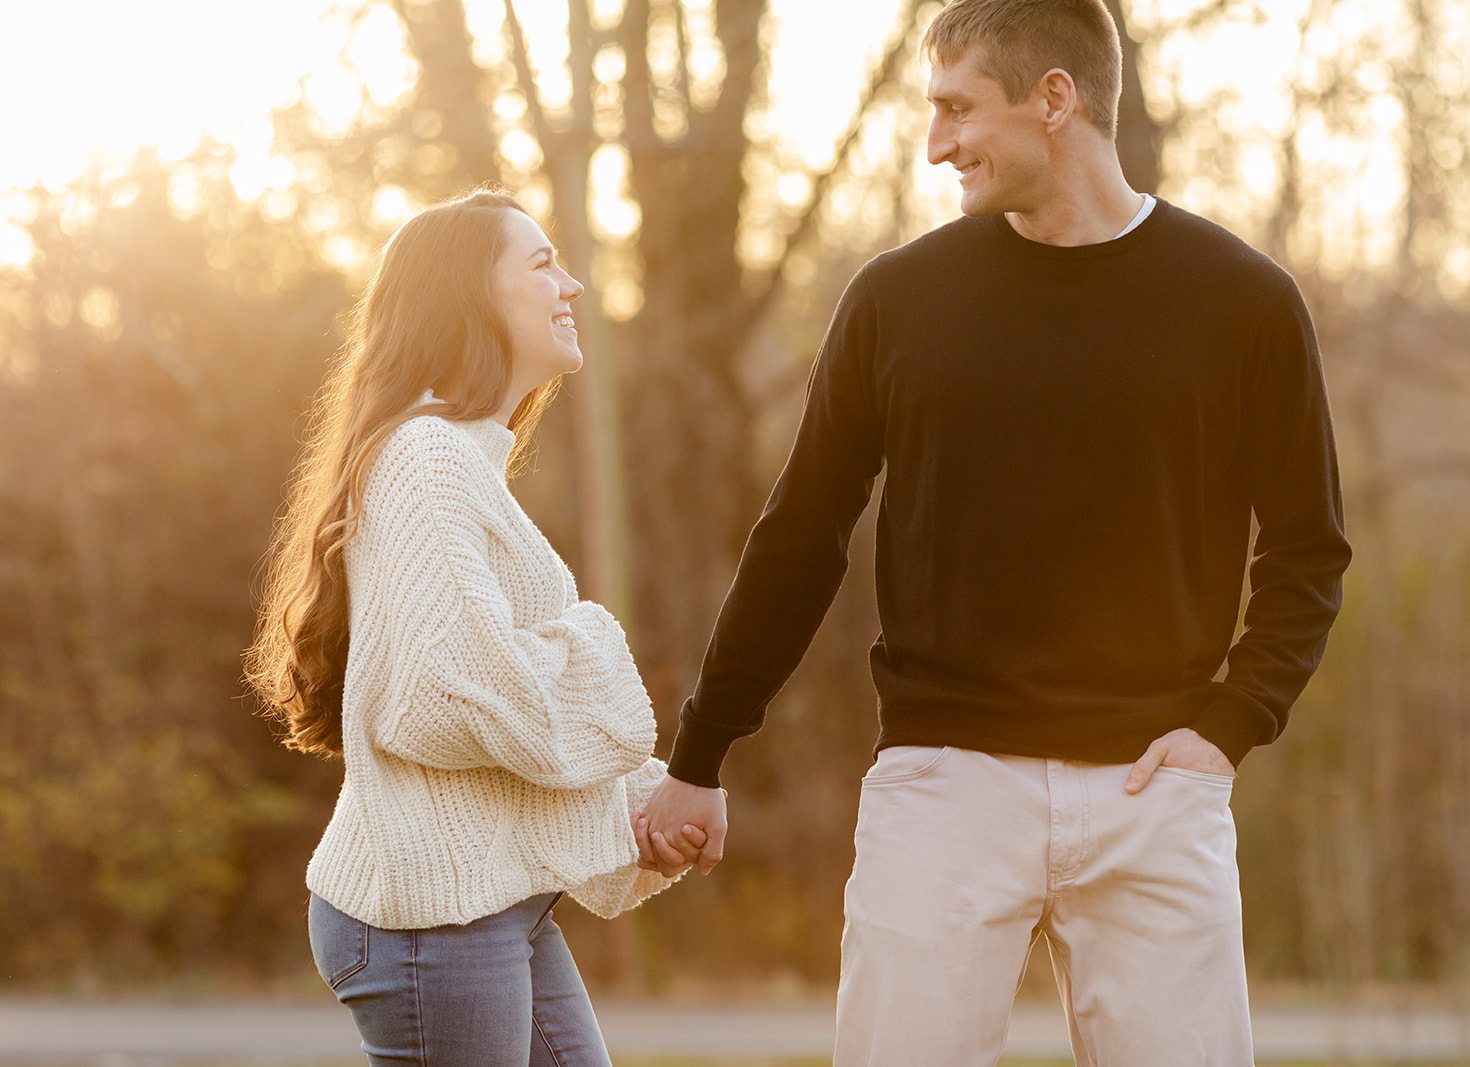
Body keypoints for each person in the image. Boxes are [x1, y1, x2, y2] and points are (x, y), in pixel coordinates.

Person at [635, 0, 1352, 1062]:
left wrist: (1231, 723)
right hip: (944, 785)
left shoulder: (1242, 301)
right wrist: (700, 749)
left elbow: (1306, 547)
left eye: (957, 108)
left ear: (1053, 99)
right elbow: (801, 534)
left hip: (1155, 791)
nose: (936, 144)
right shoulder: (897, 300)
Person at [246, 187, 701, 1067]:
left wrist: (644, 802)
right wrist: (598, 646)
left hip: (489, 901)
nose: (571, 285)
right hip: (432, 923)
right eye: (541, 264)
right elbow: (449, 694)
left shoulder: (459, 459)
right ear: (467, 299)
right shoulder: (426, 460)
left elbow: (493, 706)